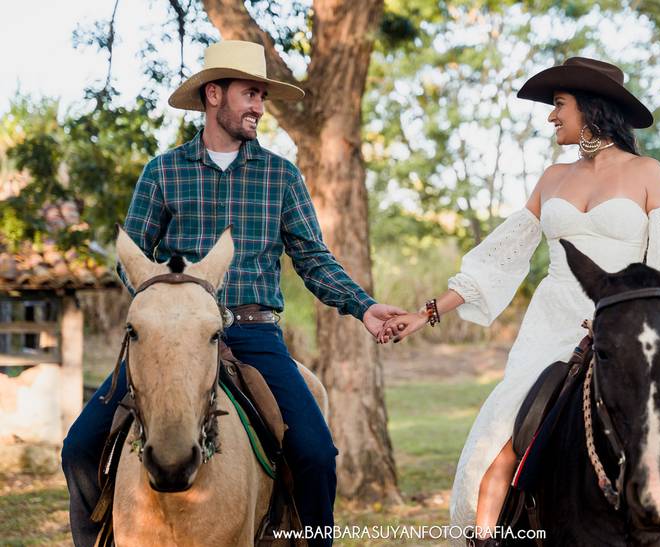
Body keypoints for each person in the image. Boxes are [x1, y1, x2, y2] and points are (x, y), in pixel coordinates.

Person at [380, 57, 660, 547]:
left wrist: (637, 322)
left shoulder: (647, 172)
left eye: (559, 105)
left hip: (628, 326)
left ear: (591, 108)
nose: (552, 116)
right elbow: (501, 255)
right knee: (498, 451)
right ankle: (484, 540)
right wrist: (427, 312)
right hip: (552, 325)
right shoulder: (553, 177)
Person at [61, 40, 404, 547]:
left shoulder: (281, 175)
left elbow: (312, 258)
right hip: (170, 334)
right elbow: (127, 258)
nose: (260, 108)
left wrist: (366, 307)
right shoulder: (163, 172)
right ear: (214, 94)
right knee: (79, 448)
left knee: (315, 453)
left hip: (255, 335)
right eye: (250, 94)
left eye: (263, 96)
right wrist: (171, 306)